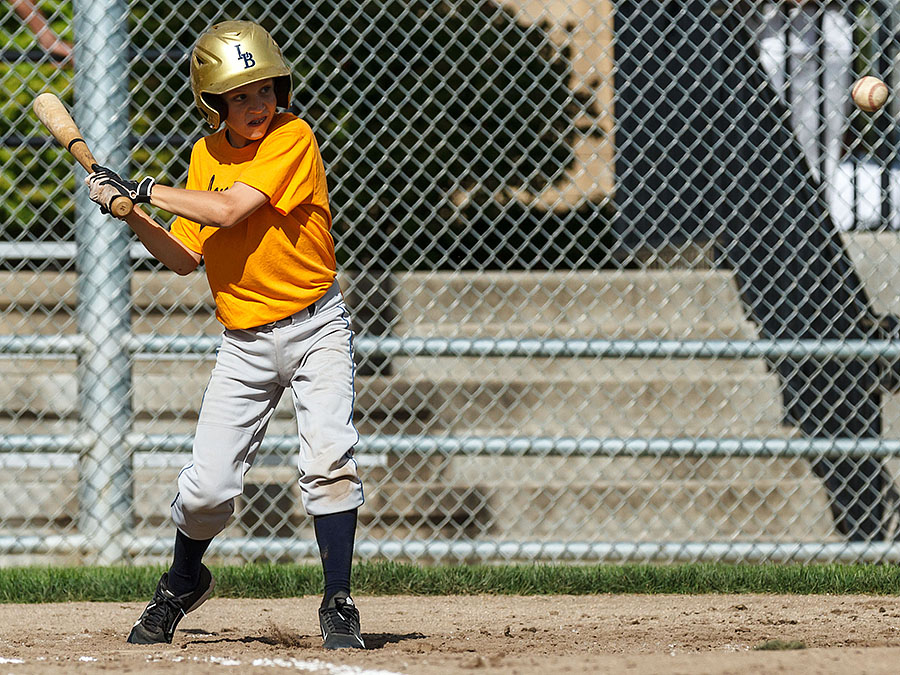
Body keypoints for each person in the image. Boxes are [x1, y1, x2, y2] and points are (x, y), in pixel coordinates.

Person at [84, 20, 366, 649]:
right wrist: (134, 217)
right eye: (239, 96)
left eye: (263, 89)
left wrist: (144, 188)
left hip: (315, 324)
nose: (255, 104)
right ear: (215, 103)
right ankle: (184, 580)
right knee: (207, 488)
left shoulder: (294, 136)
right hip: (245, 340)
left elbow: (233, 208)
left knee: (328, 459)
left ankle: (338, 600)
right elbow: (186, 257)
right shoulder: (205, 154)